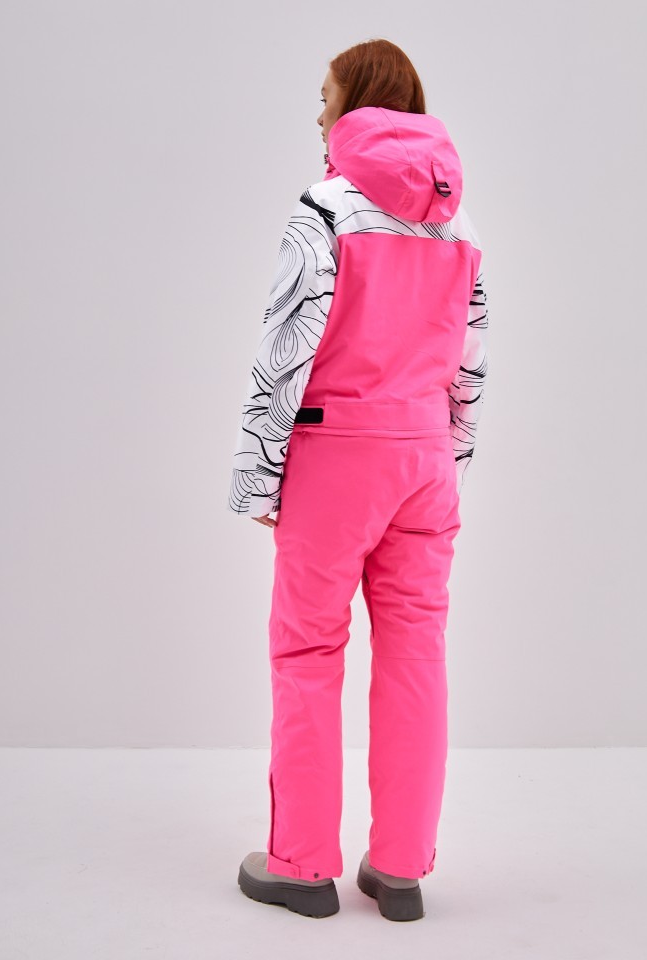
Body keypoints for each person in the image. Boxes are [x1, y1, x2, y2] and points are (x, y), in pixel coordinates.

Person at [229, 38, 489, 921]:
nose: (318, 115)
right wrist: (449, 461)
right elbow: (471, 364)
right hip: (424, 460)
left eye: (325, 96)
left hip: (336, 457)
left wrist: (260, 478)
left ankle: (302, 866)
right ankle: (402, 868)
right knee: (416, 651)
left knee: (307, 651)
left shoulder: (326, 209)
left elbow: (284, 351)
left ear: (357, 103)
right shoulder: (459, 225)